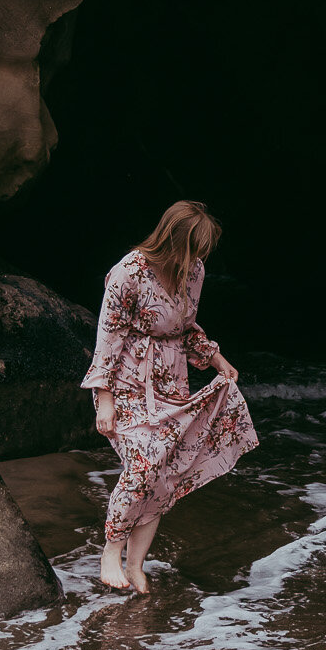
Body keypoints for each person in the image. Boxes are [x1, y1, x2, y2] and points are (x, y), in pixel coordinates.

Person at [82, 201, 259, 593]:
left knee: (164, 476)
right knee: (142, 468)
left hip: (171, 385)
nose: (200, 257)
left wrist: (217, 360)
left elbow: (185, 325)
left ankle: (136, 565)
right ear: (175, 240)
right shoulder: (129, 272)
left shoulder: (194, 271)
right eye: (196, 247)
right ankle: (111, 551)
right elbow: (108, 337)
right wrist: (104, 396)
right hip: (126, 384)